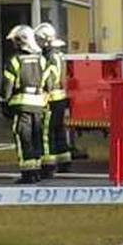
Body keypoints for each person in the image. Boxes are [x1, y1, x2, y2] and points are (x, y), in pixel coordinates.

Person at [0, 25, 48, 184]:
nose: (14, 44)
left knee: (23, 138)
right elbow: (47, 81)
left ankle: (28, 173)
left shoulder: (15, 60)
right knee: (37, 137)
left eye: (16, 41)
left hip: (22, 106)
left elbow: (7, 84)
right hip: (39, 104)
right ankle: (37, 170)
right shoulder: (41, 59)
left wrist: (3, 100)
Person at [35, 22, 72, 173]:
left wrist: (42, 92)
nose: (37, 42)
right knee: (59, 130)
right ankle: (64, 161)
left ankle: (48, 164)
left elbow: (48, 79)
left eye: (38, 39)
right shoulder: (59, 55)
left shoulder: (48, 57)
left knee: (46, 132)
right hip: (60, 97)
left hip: (50, 98)